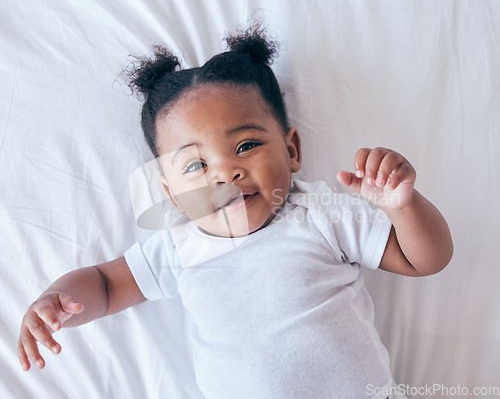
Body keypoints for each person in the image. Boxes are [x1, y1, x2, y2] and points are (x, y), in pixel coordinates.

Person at [18, 25, 453, 398]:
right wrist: (56, 300)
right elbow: (106, 285)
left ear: (292, 149)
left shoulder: (320, 215)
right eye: (196, 166)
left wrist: (404, 206)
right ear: (171, 194)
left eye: (246, 146)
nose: (225, 173)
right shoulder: (179, 246)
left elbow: (424, 259)